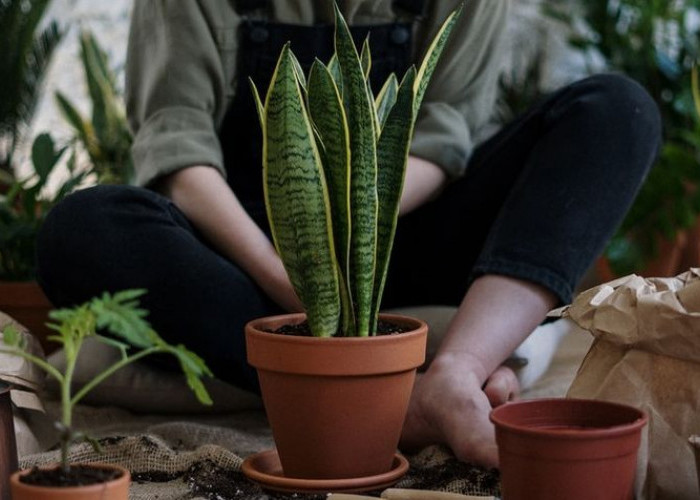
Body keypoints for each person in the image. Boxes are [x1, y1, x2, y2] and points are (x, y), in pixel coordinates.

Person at [36, 0, 661, 468]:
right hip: (243, 256)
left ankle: (455, 371)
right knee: (82, 229)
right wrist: (291, 278)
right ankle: (391, 398)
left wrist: (356, 239)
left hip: (403, 232)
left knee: (616, 111)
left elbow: (442, 140)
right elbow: (179, 152)